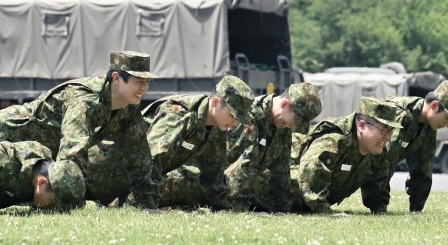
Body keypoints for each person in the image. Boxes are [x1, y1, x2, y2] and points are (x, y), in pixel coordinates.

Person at [0, 50, 159, 208]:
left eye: (147, 82)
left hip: (33, 150)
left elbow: (139, 157)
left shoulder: (127, 109)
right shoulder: (85, 100)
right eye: (138, 81)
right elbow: (72, 154)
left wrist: (146, 204)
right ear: (117, 79)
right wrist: (70, 201)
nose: (144, 88)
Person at [149, 80, 321, 212]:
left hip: (221, 187)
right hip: (200, 180)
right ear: (284, 105)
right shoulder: (248, 118)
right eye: (296, 120)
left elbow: (281, 169)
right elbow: (234, 167)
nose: (294, 126)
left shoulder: (281, 124)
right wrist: (237, 209)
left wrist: (282, 209)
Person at [144, 75, 259, 210]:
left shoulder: (216, 126)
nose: (235, 123)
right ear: (215, 102)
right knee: (182, 181)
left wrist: (222, 208)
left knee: (193, 182)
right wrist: (147, 204)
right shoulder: (180, 113)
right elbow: (150, 159)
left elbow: (213, 171)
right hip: (129, 176)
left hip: (153, 176)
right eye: (233, 115)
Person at [359, 80, 448, 214]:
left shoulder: (428, 126)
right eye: (447, 118)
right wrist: (379, 208)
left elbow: (422, 168)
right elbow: (381, 162)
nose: (447, 125)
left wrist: (416, 209)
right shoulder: (399, 114)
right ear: (434, 106)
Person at [290, 97, 403, 214]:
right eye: (384, 130)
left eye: (391, 131)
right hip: (284, 200)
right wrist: (324, 211)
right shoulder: (333, 141)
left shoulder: (377, 152)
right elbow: (309, 177)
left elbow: (378, 185)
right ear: (362, 125)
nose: (388, 137)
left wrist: (380, 210)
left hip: (304, 206)